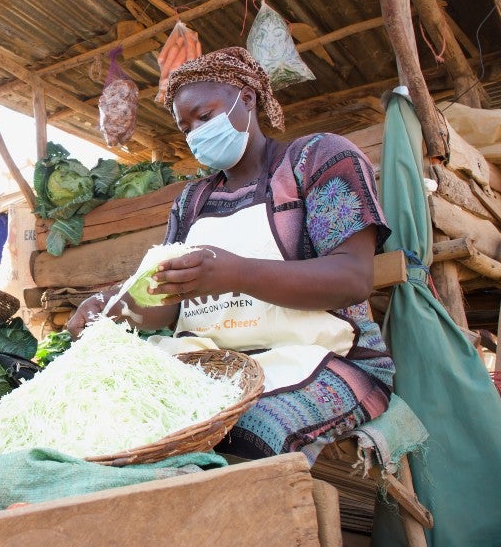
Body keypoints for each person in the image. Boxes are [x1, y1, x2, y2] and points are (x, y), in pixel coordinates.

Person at [67, 47, 393, 463]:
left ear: (248, 98)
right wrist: (117, 309)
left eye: (204, 117)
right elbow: (166, 306)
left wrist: (236, 273)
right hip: (211, 368)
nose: (195, 133)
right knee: (103, 415)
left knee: (236, 432)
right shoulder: (192, 202)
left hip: (325, 361)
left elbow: (353, 278)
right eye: (186, 127)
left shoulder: (319, 159)